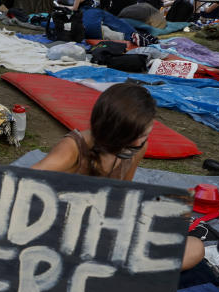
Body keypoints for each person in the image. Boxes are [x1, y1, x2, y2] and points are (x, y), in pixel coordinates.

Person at [32, 84, 204, 271]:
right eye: (132, 137)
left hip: (103, 233)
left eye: (144, 135)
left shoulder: (137, 148)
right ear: (112, 130)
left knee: (195, 248)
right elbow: (18, 183)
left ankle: (118, 272)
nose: (139, 142)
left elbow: (122, 196)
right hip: (62, 235)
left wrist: (165, 208)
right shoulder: (73, 149)